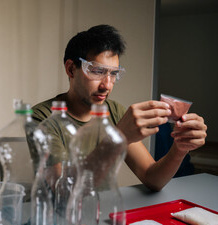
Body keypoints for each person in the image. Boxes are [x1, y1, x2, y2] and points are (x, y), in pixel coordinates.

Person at [32, 24, 207, 191]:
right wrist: (119, 137)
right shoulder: (42, 117)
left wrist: (180, 149)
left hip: (105, 211)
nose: (107, 85)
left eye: (113, 73)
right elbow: (62, 190)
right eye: (98, 71)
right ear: (71, 69)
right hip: (60, 219)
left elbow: (152, 178)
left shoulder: (114, 111)